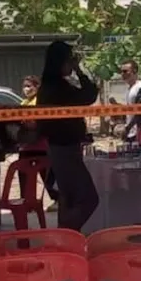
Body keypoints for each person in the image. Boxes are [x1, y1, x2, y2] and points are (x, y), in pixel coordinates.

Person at [37, 41, 99, 232]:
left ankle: (66, 237)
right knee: (88, 199)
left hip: (60, 147)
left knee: (68, 197)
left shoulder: (50, 86)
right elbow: (89, 95)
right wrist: (79, 71)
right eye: (69, 60)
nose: (71, 63)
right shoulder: (58, 88)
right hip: (65, 148)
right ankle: (66, 232)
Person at [17, 75, 58, 202]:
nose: (26, 89)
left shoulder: (39, 102)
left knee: (47, 176)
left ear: (37, 87)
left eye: (29, 86)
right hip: (25, 147)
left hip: (40, 146)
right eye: (24, 86)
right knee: (23, 175)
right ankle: (26, 202)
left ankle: (57, 200)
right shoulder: (23, 103)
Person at [119, 60, 141, 142]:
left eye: (125, 71)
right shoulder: (129, 89)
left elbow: (140, 111)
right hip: (130, 132)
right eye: (121, 71)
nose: (122, 74)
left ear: (134, 71)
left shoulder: (140, 87)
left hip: (138, 133)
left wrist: (128, 128)